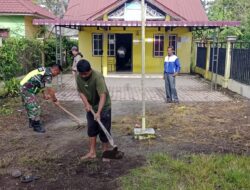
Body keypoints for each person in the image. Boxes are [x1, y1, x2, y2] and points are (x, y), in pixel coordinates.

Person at [76, 59, 111, 160]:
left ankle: (106, 152)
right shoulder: (79, 77)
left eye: (85, 74)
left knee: (104, 130)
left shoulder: (97, 77)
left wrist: (99, 112)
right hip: (91, 107)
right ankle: (92, 152)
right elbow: (80, 92)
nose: (83, 76)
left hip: (103, 106)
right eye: (81, 74)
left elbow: (103, 95)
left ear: (90, 70)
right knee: (91, 129)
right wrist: (86, 104)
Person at [20, 64, 62, 133]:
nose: (56, 75)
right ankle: (36, 126)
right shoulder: (48, 74)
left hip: (26, 87)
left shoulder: (45, 70)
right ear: (55, 70)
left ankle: (32, 123)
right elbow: (50, 89)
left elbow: (40, 82)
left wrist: (44, 94)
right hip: (27, 89)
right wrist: (55, 100)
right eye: (57, 73)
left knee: (30, 106)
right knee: (35, 107)